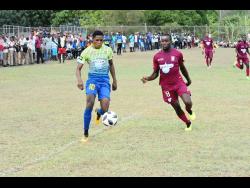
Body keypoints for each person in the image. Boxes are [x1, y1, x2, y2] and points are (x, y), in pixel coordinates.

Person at [141, 34, 196, 131]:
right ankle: (188, 123)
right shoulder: (157, 56)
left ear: (170, 41)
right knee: (177, 107)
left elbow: (182, 68)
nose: (164, 43)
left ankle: (189, 110)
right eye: (162, 41)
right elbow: (155, 73)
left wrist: (188, 79)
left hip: (179, 82)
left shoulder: (177, 54)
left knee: (188, 102)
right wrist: (148, 78)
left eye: (166, 41)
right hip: (166, 86)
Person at [76, 30, 117, 142]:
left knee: (105, 107)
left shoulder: (108, 50)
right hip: (93, 80)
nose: (99, 42)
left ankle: (99, 112)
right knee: (89, 102)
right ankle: (85, 132)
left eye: (101, 40)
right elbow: (78, 69)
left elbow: (111, 65)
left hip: (104, 81)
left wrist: (114, 80)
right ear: (92, 40)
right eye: (97, 40)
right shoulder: (86, 51)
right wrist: (79, 80)